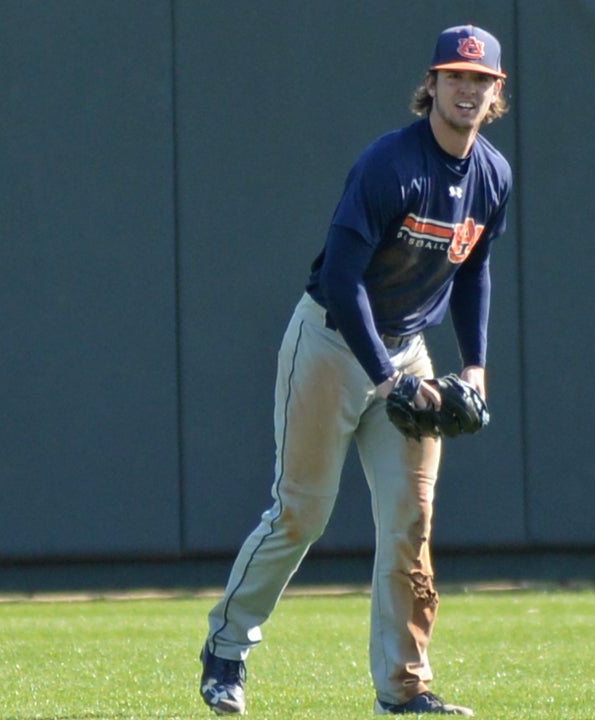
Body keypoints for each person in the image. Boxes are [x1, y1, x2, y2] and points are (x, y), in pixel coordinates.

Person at [198, 24, 512, 717]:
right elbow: (342, 279)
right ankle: (226, 648)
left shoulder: (492, 175)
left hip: (409, 350)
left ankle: (404, 689)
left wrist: (477, 370)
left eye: (480, 80)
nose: (467, 89)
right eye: (455, 77)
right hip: (333, 342)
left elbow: (474, 273)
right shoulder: (390, 165)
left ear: (497, 95)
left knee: (410, 522)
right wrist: (387, 378)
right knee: (300, 514)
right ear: (431, 85)